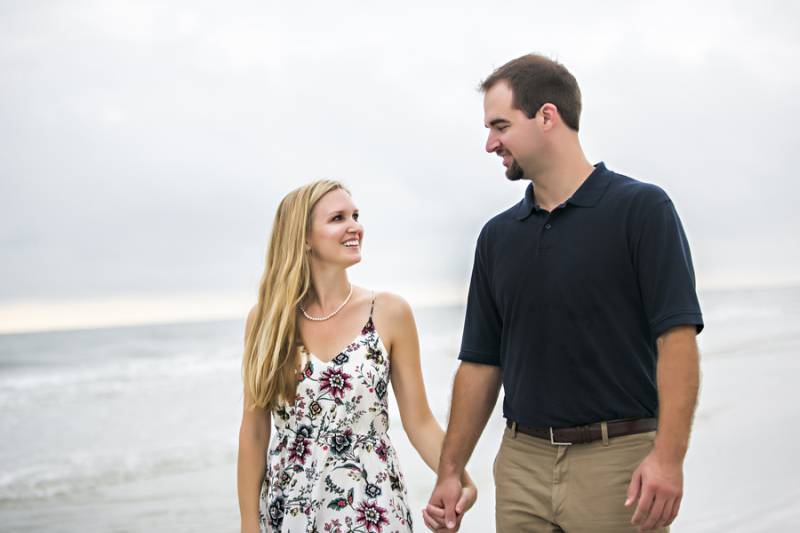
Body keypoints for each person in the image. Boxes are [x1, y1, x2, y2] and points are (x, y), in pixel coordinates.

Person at [424, 54, 704, 532]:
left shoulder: (641, 210)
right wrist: (450, 471)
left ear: (547, 116)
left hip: (618, 466)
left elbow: (676, 341)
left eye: (500, 126)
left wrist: (669, 458)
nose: (491, 143)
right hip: (520, 465)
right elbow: (480, 363)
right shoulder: (497, 238)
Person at [237, 180, 476, 533]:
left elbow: (420, 422)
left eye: (356, 215)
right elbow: (254, 431)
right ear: (303, 238)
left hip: (373, 505)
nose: (355, 227)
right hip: (290, 510)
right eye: (337, 218)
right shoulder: (268, 320)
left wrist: (459, 478)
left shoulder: (389, 312)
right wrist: (248, 524)